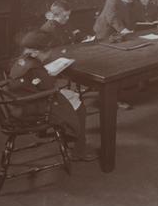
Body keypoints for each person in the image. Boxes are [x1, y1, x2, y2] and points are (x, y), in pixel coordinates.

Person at [8, 30, 96, 161]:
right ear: (36, 52)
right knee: (79, 105)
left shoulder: (22, 60)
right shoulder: (36, 68)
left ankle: (68, 134)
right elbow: (49, 87)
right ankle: (79, 150)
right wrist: (50, 76)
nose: (49, 55)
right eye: (48, 52)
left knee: (70, 95)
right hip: (33, 107)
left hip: (19, 102)